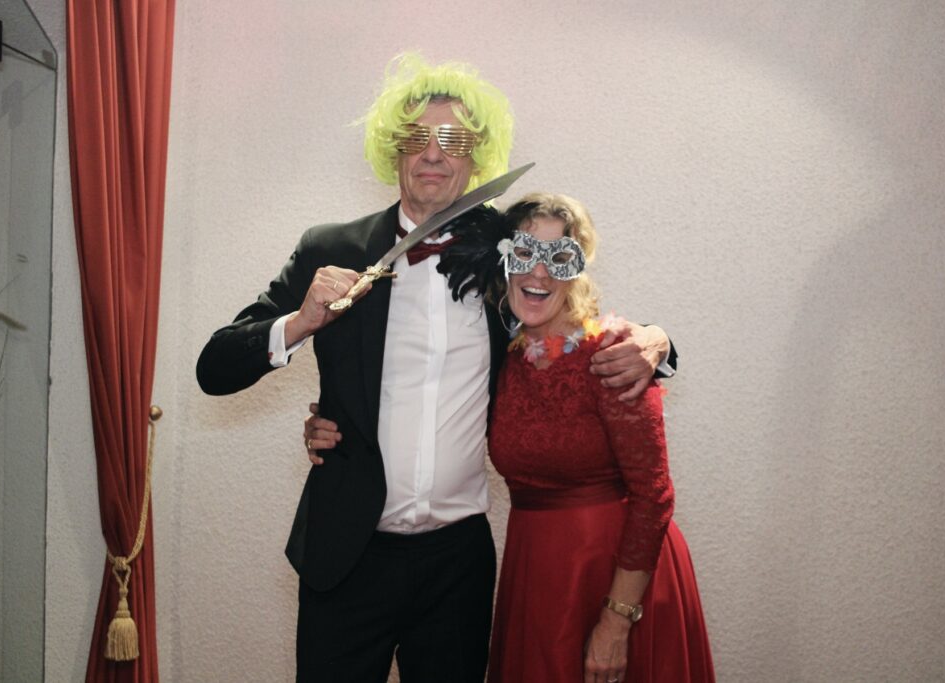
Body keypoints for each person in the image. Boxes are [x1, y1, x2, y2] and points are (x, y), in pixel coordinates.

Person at [197, 54, 675, 683]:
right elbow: (214, 368)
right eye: (416, 137)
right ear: (391, 149)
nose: (433, 154)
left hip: (457, 565)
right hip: (347, 555)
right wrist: (301, 322)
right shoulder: (331, 248)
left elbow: (571, 315)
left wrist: (657, 342)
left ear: (477, 158)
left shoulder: (504, 252)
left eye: (453, 140)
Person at [486, 193, 714, 682]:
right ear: (504, 260)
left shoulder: (614, 354)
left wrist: (616, 620)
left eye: (559, 257)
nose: (539, 273)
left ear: (578, 270)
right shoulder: (502, 355)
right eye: (524, 252)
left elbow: (654, 495)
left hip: (616, 580)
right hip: (535, 572)